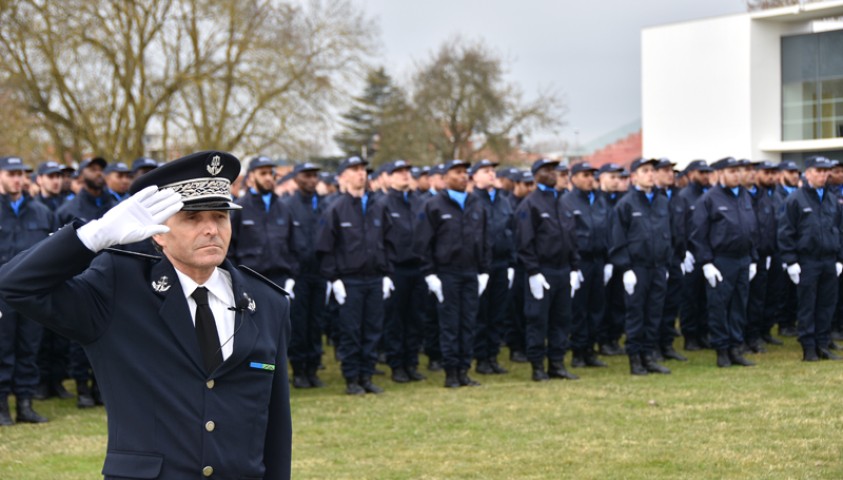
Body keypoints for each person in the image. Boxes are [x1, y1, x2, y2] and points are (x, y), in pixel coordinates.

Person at [0, 151, 292, 478]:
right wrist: (93, 237)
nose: (211, 229)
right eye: (192, 218)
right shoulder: (118, 288)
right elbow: (14, 286)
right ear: (158, 231)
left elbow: (277, 429)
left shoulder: (267, 302)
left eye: (220, 216)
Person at [316, 156, 393, 395]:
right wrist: (334, 278)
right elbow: (325, 247)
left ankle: (366, 375)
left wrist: (387, 273)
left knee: (372, 329)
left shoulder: (377, 206)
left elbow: (388, 241)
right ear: (344, 176)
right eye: (355, 170)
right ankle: (352, 378)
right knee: (351, 330)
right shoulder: (336, 209)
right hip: (349, 281)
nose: (362, 174)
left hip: (374, 278)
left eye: (363, 170)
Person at [415, 159, 491, 388]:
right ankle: (451, 372)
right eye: (457, 173)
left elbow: (486, 239)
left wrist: (484, 270)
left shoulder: (476, 203)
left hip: (470, 272)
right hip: (446, 273)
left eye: (465, 172)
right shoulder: (434, 205)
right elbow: (423, 243)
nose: (463, 176)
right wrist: (430, 273)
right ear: (446, 177)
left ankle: (464, 370)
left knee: (468, 323)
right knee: (450, 324)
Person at [56, 156, 118, 408]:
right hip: (80, 278)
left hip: (110, 277)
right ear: (81, 175)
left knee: (110, 335)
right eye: (93, 169)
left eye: (101, 169)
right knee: (80, 338)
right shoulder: (69, 209)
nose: (98, 173)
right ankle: (81, 386)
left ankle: (99, 386)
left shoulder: (114, 205)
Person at [0, 156, 56, 425]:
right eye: (11, 173)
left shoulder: (41, 212)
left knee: (29, 348)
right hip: (2, 293)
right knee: (2, 349)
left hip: (33, 293)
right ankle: (2, 407)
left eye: (20, 173)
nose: (17, 179)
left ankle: (25, 404)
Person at [515, 158, 581, 382]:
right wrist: (533, 271)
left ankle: (557, 363)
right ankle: (537, 366)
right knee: (537, 319)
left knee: (561, 319)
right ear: (537, 175)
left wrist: (574, 267)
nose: (554, 173)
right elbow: (525, 242)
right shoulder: (530, 204)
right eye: (548, 170)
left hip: (563, 270)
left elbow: (571, 237)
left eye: (555, 169)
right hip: (542, 271)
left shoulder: (562, 202)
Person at [690, 157, 758, 367]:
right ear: (719, 174)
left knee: (739, 305)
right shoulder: (709, 199)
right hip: (722, 260)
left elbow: (752, 229)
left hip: (743, 259)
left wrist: (753, 258)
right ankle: (721, 349)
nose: (737, 175)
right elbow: (698, 234)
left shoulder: (745, 196)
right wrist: (707, 263)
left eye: (738, 171)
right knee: (719, 305)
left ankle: (735, 348)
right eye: (731, 171)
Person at [609, 158, 672, 376]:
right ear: (634, 176)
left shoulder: (662, 201)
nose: (651, 175)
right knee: (636, 314)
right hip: (637, 268)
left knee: (654, 313)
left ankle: (649, 355)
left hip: (658, 267)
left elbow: (667, 235)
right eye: (645, 171)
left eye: (652, 171)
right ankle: (635, 358)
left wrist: (667, 262)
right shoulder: (626, 204)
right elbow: (618, 239)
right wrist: (625, 268)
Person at [778, 156, 843, 361]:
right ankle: (808, 347)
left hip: (828, 260)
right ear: (807, 173)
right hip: (807, 260)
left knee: (826, 304)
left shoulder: (832, 199)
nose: (823, 175)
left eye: (826, 171)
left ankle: (822, 344)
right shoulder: (795, 199)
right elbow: (786, 232)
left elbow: (839, 229)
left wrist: (839, 258)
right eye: (818, 171)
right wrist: (791, 261)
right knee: (807, 305)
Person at [379, 160, 428, 383]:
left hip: (418, 268)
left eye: (407, 172)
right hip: (396, 269)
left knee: (416, 318)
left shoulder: (420, 201)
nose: (405, 176)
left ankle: (412, 362)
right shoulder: (383, 203)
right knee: (395, 320)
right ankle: (397, 364)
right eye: (399, 172)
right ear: (389, 177)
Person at [560, 162, 610, 368]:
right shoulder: (567, 201)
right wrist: (573, 265)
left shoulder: (599, 200)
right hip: (580, 259)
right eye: (585, 175)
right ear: (574, 178)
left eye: (592, 175)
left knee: (596, 306)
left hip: (598, 259)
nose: (591, 179)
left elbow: (608, 227)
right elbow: (567, 234)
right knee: (579, 308)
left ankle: (591, 349)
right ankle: (578, 351)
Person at [283, 161, 328, 389]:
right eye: (307, 176)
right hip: (299, 275)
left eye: (314, 176)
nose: (311, 180)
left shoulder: (324, 204)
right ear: (296, 178)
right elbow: (286, 240)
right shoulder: (288, 205)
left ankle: (313, 368)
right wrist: (291, 271)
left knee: (317, 322)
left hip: (320, 273)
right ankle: (299, 370)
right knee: (299, 324)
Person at [469, 159, 515, 375]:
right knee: (481, 313)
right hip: (480, 266)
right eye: (485, 171)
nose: (491, 174)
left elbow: (511, 231)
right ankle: (481, 358)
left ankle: (493, 356)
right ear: (474, 176)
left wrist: (512, 261)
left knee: (498, 313)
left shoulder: (503, 200)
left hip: (501, 263)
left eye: (493, 171)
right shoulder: (472, 201)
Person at [677, 159, 715, 351]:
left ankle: (703, 332)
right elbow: (681, 226)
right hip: (691, 253)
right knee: (690, 296)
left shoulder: (709, 195)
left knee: (704, 296)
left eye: (708, 173)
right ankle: (690, 335)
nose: (706, 176)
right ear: (691, 174)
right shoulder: (684, 196)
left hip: (707, 253)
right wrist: (684, 252)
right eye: (702, 173)